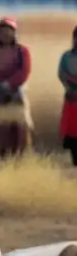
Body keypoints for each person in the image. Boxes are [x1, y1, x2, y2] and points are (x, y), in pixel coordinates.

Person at [0, 18, 32, 158]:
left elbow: (24, 72)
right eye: (1, 31)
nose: (5, 34)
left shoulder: (22, 52)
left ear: (14, 33)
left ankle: (16, 159)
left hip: (15, 96)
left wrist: (8, 85)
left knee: (17, 131)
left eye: (8, 31)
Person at [58, 26, 77, 166]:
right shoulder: (66, 56)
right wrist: (70, 88)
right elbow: (62, 74)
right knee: (72, 135)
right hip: (71, 99)